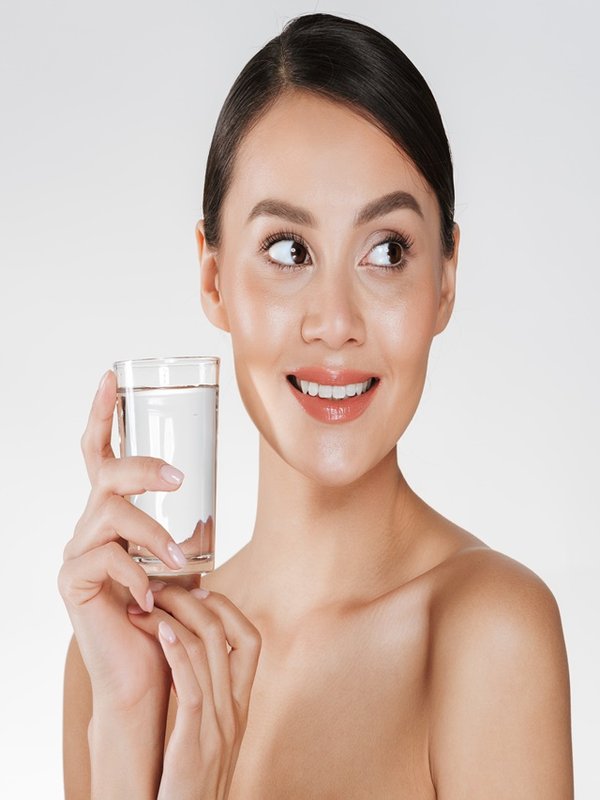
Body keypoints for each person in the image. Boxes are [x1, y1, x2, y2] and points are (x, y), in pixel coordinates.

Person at [58, 12, 574, 799]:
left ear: (445, 280)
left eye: (387, 251)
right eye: (288, 250)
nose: (335, 322)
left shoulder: (486, 633)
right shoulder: (118, 655)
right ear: (213, 278)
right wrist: (132, 721)